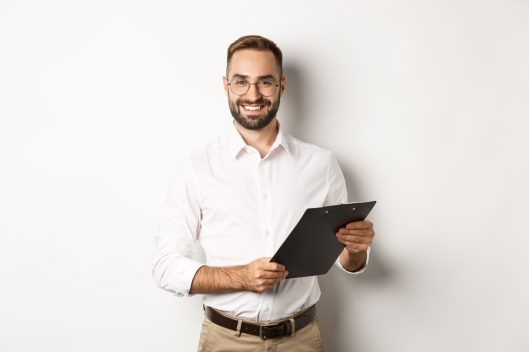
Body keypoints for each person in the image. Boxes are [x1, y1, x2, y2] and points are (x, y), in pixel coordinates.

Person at [152, 35, 375, 352]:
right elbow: (165, 267)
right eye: (241, 82)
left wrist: (356, 251)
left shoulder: (321, 164)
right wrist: (240, 277)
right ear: (226, 85)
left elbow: (344, 260)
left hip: (301, 340)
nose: (252, 94)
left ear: (281, 86)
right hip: (225, 340)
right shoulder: (196, 168)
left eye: (265, 82)